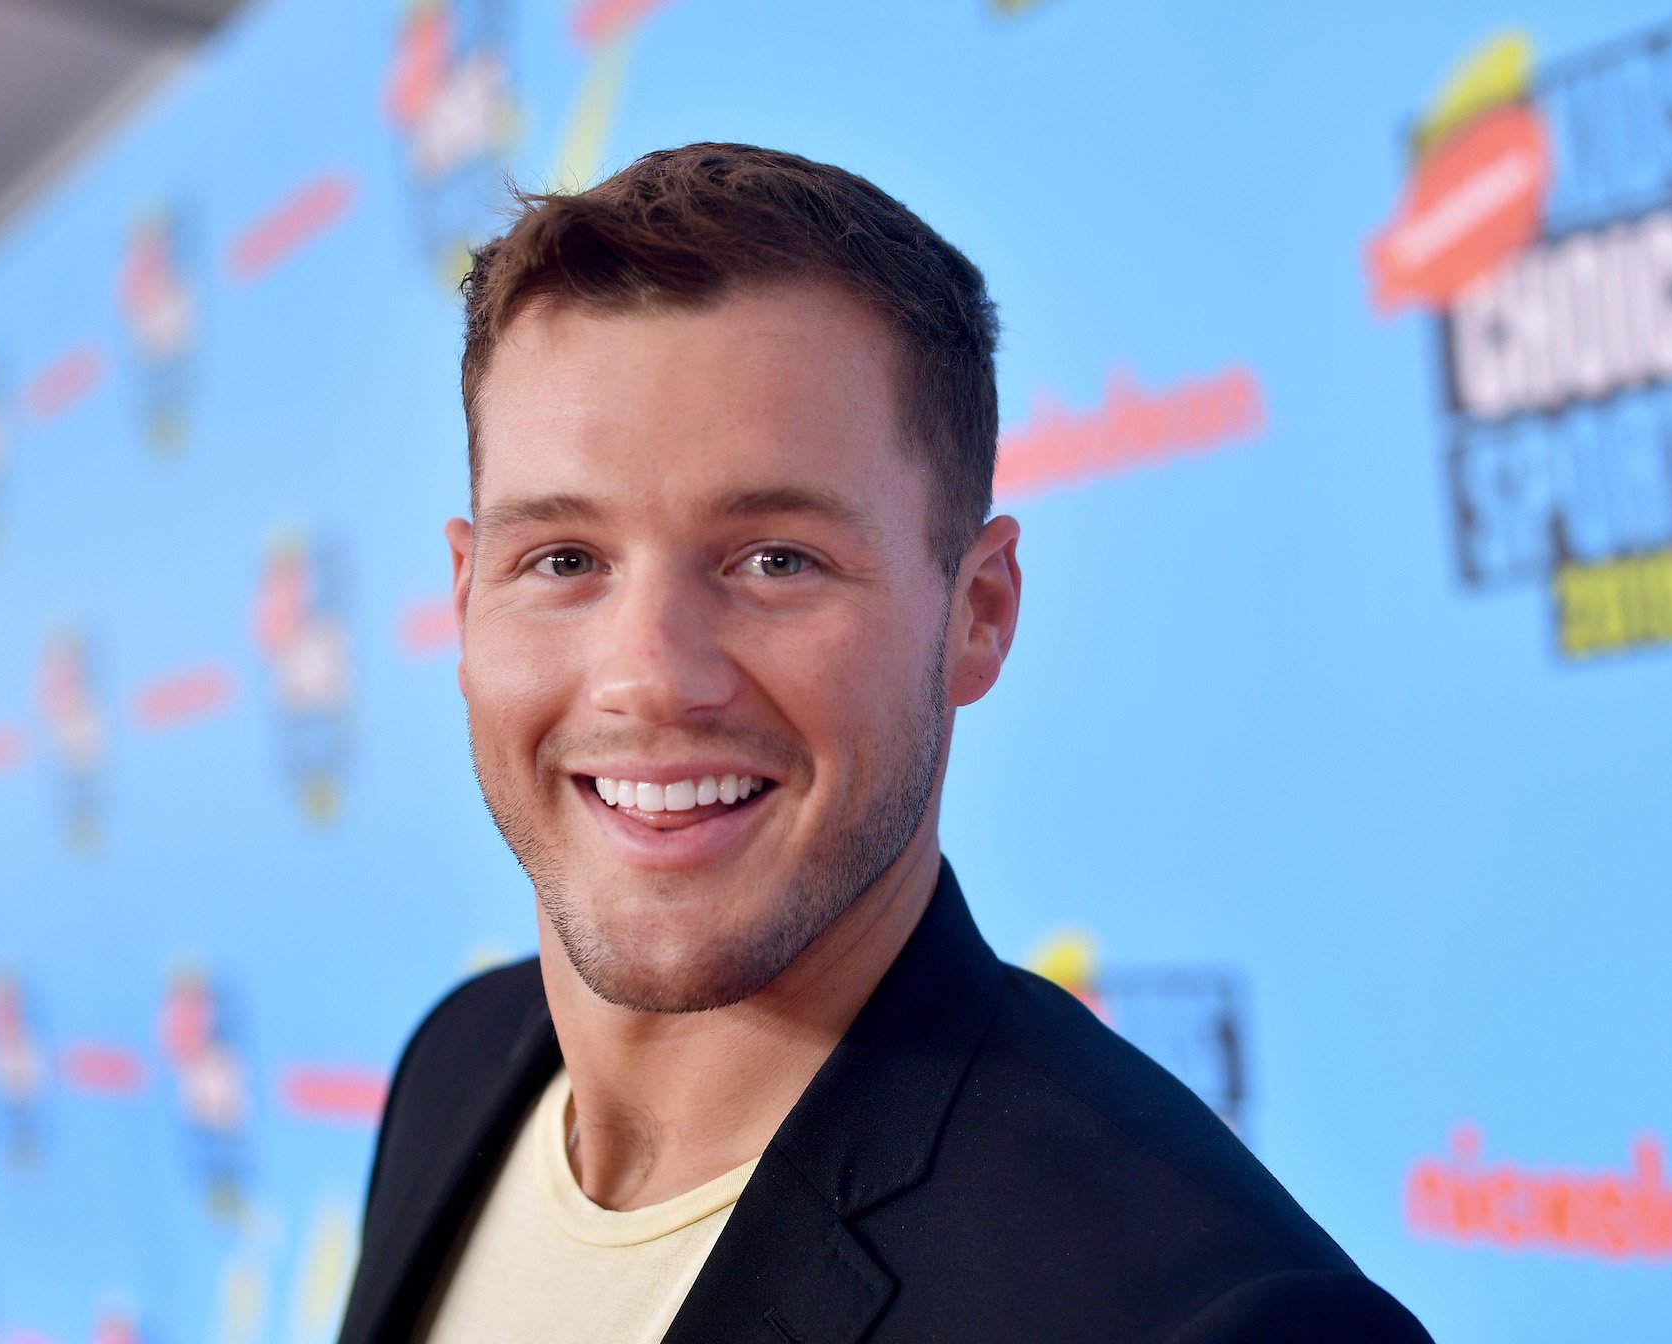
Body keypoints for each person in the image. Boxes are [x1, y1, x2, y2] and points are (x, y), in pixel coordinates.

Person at [336, 143, 1432, 1344]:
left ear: (978, 614)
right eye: (561, 561)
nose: (647, 674)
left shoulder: (1208, 1315)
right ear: (462, 599)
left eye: (775, 561)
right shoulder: (456, 1066)